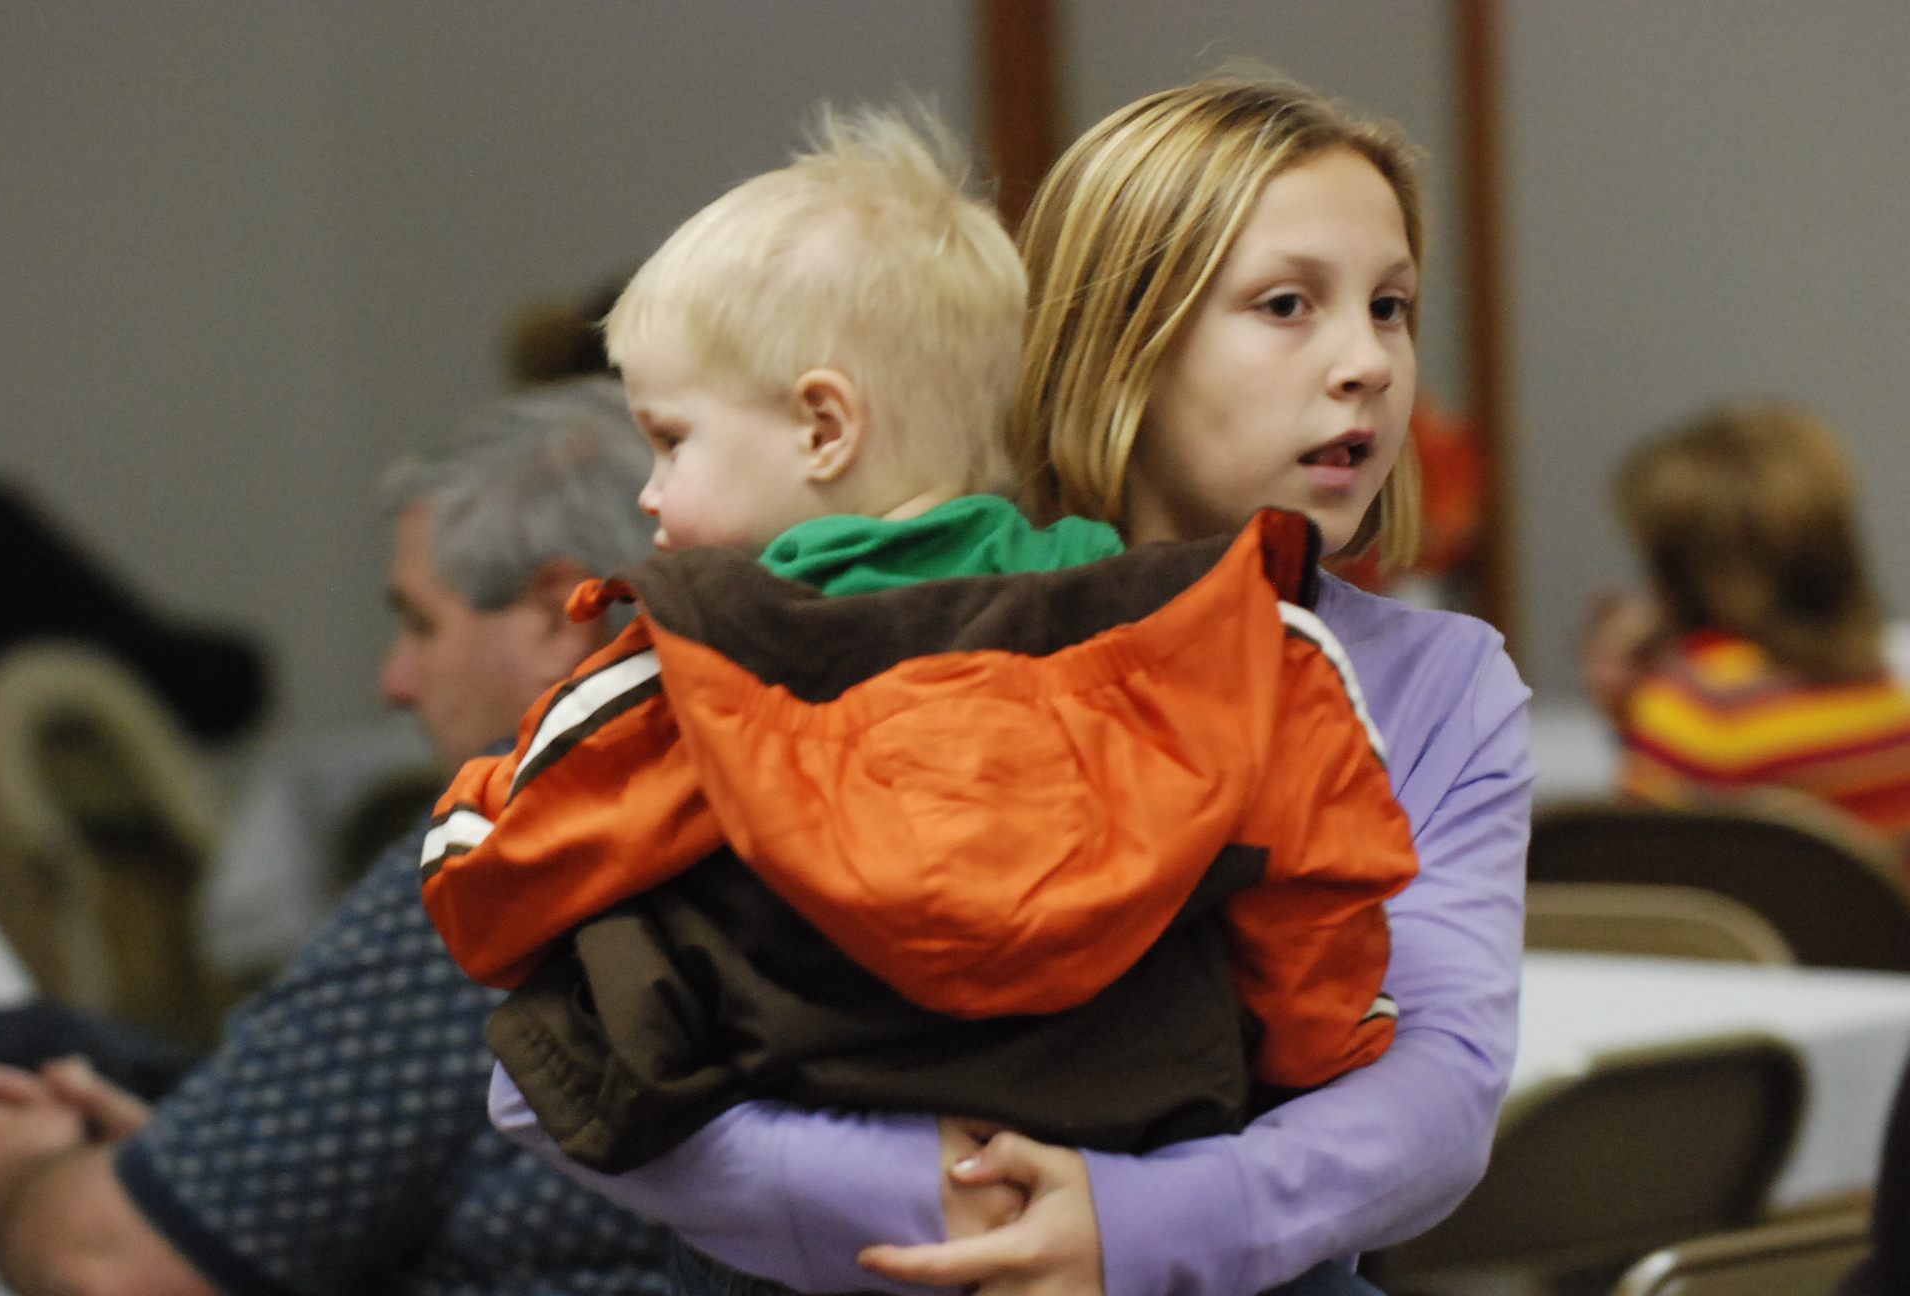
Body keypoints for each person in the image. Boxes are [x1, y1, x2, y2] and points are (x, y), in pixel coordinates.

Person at [487, 73, 1534, 1296]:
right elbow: (545, 1069)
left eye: (1392, 306)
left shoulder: (1438, 680)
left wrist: (1137, 1224)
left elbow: (1441, 1090)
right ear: (1123, 335)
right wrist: (940, 1197)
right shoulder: (864, 612)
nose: (1367, 362)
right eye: (1287, 304)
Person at [0, 377, 676, 1295]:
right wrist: (196, 1181)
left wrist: (8, 1173)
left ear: (559, 613)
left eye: (420, 624)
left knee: (23, 1048)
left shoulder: (529, 844)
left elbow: (117, 1265)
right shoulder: (773, 789)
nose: (394, 681)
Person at [1582, 401, 1910, 852]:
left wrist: (1641, 720)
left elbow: (1639, 873)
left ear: (1678, 574)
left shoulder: (1702, 712)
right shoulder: (1887, 701)